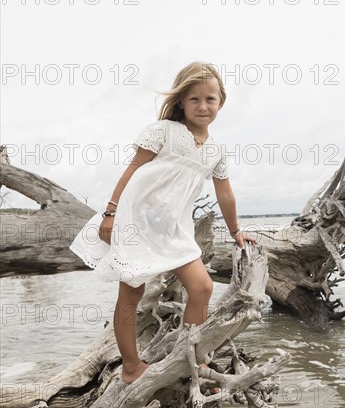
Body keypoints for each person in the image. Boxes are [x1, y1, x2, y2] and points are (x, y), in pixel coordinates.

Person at [69, 62, 257, 384]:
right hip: (135, 220)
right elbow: (131, 171)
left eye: (210, 99)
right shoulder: (163, 133)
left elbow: (225, 194)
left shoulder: (216, 151)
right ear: (182, 101)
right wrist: (111, 212)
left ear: (220, 103)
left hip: (175, 230)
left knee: (202, 287)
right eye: (195, 99)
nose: (203, 106)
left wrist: (236, 230)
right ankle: (131, 367)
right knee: (132, 292)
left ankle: (192, 359)